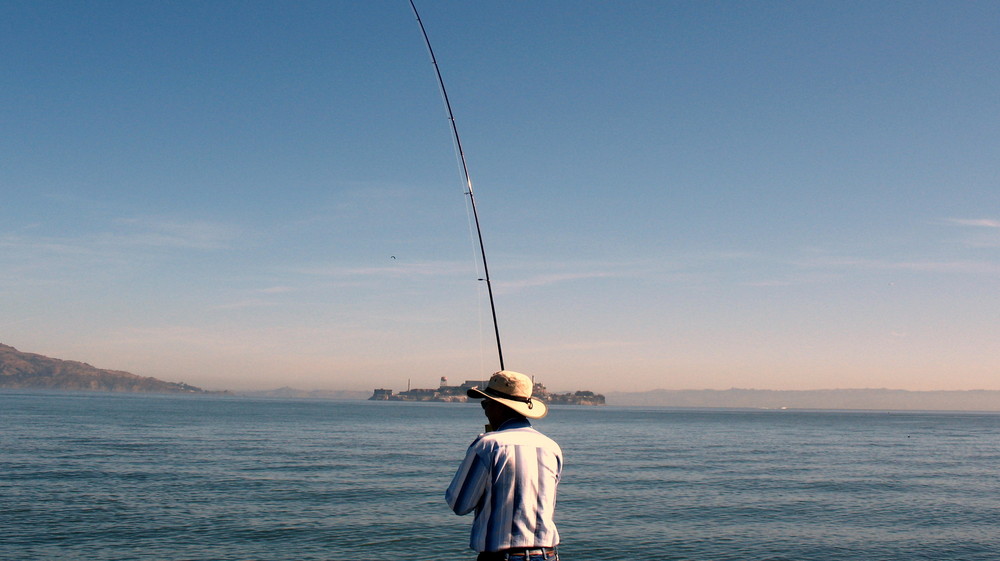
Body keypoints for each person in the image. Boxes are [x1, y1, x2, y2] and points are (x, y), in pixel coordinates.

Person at [446, 370, 563, 561]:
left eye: (485, 404)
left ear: (499, 407)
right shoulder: (551, 447)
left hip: (503, 556)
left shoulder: (487, 445)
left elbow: (459, 504)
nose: (484, 410)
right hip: (547, 555)